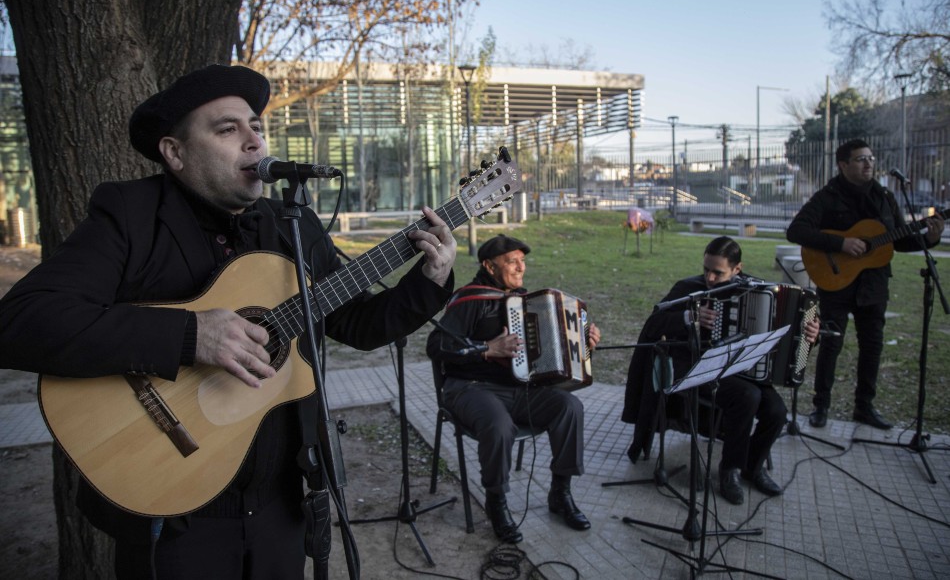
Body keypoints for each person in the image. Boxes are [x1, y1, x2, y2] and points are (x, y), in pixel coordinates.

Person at [0, 64, 457, 579]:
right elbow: (20, 323)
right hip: (170, 506)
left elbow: (358, 324)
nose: (253, 141)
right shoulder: (131, 215)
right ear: (174, 153)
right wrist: (190, 336)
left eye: (256, 126)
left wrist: (431, 279)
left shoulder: (292, 223)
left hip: (281, 502)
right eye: (227, 129)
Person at [425, 234, 601, 543]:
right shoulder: (470, 300)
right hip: (471, 388)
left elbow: (550, 353)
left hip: (519, 390)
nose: (521, 267)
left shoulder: (528, 302)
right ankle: (497, 501)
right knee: (499, 425)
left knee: (569, 407)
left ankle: (560, 492)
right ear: (489, 266)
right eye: (512, 261)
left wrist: (582, 341)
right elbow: (436, 345)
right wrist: (486, 348)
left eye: (522, 261)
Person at [621, 236, 819, 505]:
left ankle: (752, 465)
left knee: (777, 412)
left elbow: (789, 331)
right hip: (700, 367)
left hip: (748, 369)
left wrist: (811, 334)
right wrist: (688, 317)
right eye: (706, 270)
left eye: (718, 272)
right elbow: (654, 324)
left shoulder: (761, 291)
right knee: (747, 397)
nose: (710, 278)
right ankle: (730, 471)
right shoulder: (689, 288)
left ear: (737, 269)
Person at [787, 139, 944, 430]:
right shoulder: (827, 197)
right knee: (831, 343)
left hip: (874, 284)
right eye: (860, 159)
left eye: (870, 158)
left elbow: (898, 241)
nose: (868, 163)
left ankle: (864, 407)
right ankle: (821, 406)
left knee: (872, 346)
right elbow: (796, 231)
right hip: (836, 281)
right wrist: (841, 243)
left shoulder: (884, 197)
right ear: (843, 165)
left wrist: (930, 238)